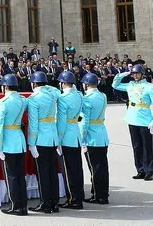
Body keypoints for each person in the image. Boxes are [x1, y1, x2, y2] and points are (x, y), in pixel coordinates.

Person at [26, 71, 61, 213]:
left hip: (40, 139)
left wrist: (31, 143)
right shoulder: (52, 95)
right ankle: (55, 202)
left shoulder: (33, 99)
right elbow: (57, 90)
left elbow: (33, 124)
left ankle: (45, 203)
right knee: (52, 172)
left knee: (43, 173)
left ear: (34, 84)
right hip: (53, 137)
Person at [111, 64, 153, 180]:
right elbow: (115, 85)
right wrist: (124, 74)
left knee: (147, 146)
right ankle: (140, 170)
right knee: (136, 146)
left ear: (142, 74)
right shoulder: (130, 85)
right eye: (133, 73)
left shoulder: (149, 87)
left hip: (145, 119)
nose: (135, 75)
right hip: (132, 118)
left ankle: (149, 170)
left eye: (137, 73)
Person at [0, 74, 28, 216]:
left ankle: (16, 206)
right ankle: (23, 205)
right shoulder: (22, 100)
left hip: (8, 141)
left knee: (12, 176)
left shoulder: (3, 102)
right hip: (19, 140)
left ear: (5, 86)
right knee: (20, 175)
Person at [78, 72, 110, 204]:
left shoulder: (87, 99)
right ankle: (103, 193)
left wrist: (82, 137)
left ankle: (98, 195)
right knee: (103, 166)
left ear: (86, 85)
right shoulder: (103, 95)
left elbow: (84, 121)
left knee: (94, 168)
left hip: (91, 136)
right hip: (102, 134)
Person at [56, 70, 84, 209]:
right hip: (76, 134)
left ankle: (73, 199)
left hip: (66, 136)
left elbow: (61, 122)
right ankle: (79, 196)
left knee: (68, 170)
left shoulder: (63, 98)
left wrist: (58, 139)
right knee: (77, 168)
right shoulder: (79, 95)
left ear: (63, 83)